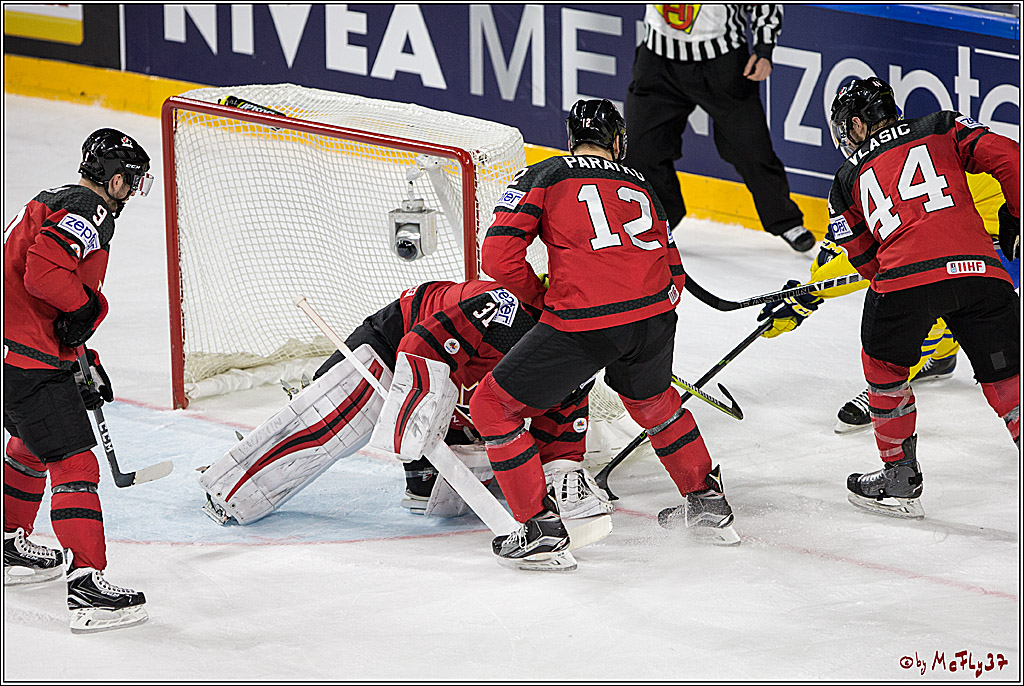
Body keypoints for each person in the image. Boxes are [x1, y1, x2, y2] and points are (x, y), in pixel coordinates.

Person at [471, 98, 739, 572]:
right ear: (618, 141)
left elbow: (497, 259)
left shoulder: (548, 173)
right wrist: (646, 317)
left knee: (492, 406)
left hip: (582, 322)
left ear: (572, 139)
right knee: (653, 403)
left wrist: (539, 300)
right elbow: (675, 275)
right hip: (654, 318)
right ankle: (706, 504)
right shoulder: (643, 185)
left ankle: (538, 529)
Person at [199, 279, 613, 526]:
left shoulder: (576, 352)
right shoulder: (503, 312)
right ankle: (237, 473)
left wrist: (562, 477)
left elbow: (563, 431)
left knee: (459, 460)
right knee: (336, 420)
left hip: (453, 373)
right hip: (394, 339)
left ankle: (422, 473)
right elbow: (419, 349)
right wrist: (426, 415)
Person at [825, 77, 1019, 519]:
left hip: (903, 281)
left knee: (883, 365)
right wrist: (1014, 216)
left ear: (856, 125)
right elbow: (1011, 157)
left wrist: (909, 291)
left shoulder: (845, 179)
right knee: (1010, 378)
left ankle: (899, 479)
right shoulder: (940, 125)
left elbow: (865, 260)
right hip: (982, 271)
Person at [4, 128, 154, 633]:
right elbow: (44, 276)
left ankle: (8, 546)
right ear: (114, 180)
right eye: (131, 181)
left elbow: (37, 290)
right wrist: (90, 308)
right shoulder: (91, 213)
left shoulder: (51, 201)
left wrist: (80, 356)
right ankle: (87, 586)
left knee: (29, 442)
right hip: (27, 359)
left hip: (12, 351)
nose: (132, 191)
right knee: (73, 461)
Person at [757, 172, 1019, 433]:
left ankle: (888, 390)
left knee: (927, 293)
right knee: (935, 282)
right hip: (980, 232)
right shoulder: (894, 158)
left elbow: (884, 261)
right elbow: (858, 248)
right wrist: (816, 281)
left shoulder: (906, 167)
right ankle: (942, 355)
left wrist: (810, 293)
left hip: (1003, 244)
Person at [624, 4, 814, 253]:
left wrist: (764, 48)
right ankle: (662, 220)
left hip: (723, 63)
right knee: (640, 148)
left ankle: (784, 220)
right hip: (658, 60)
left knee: (751, 149)